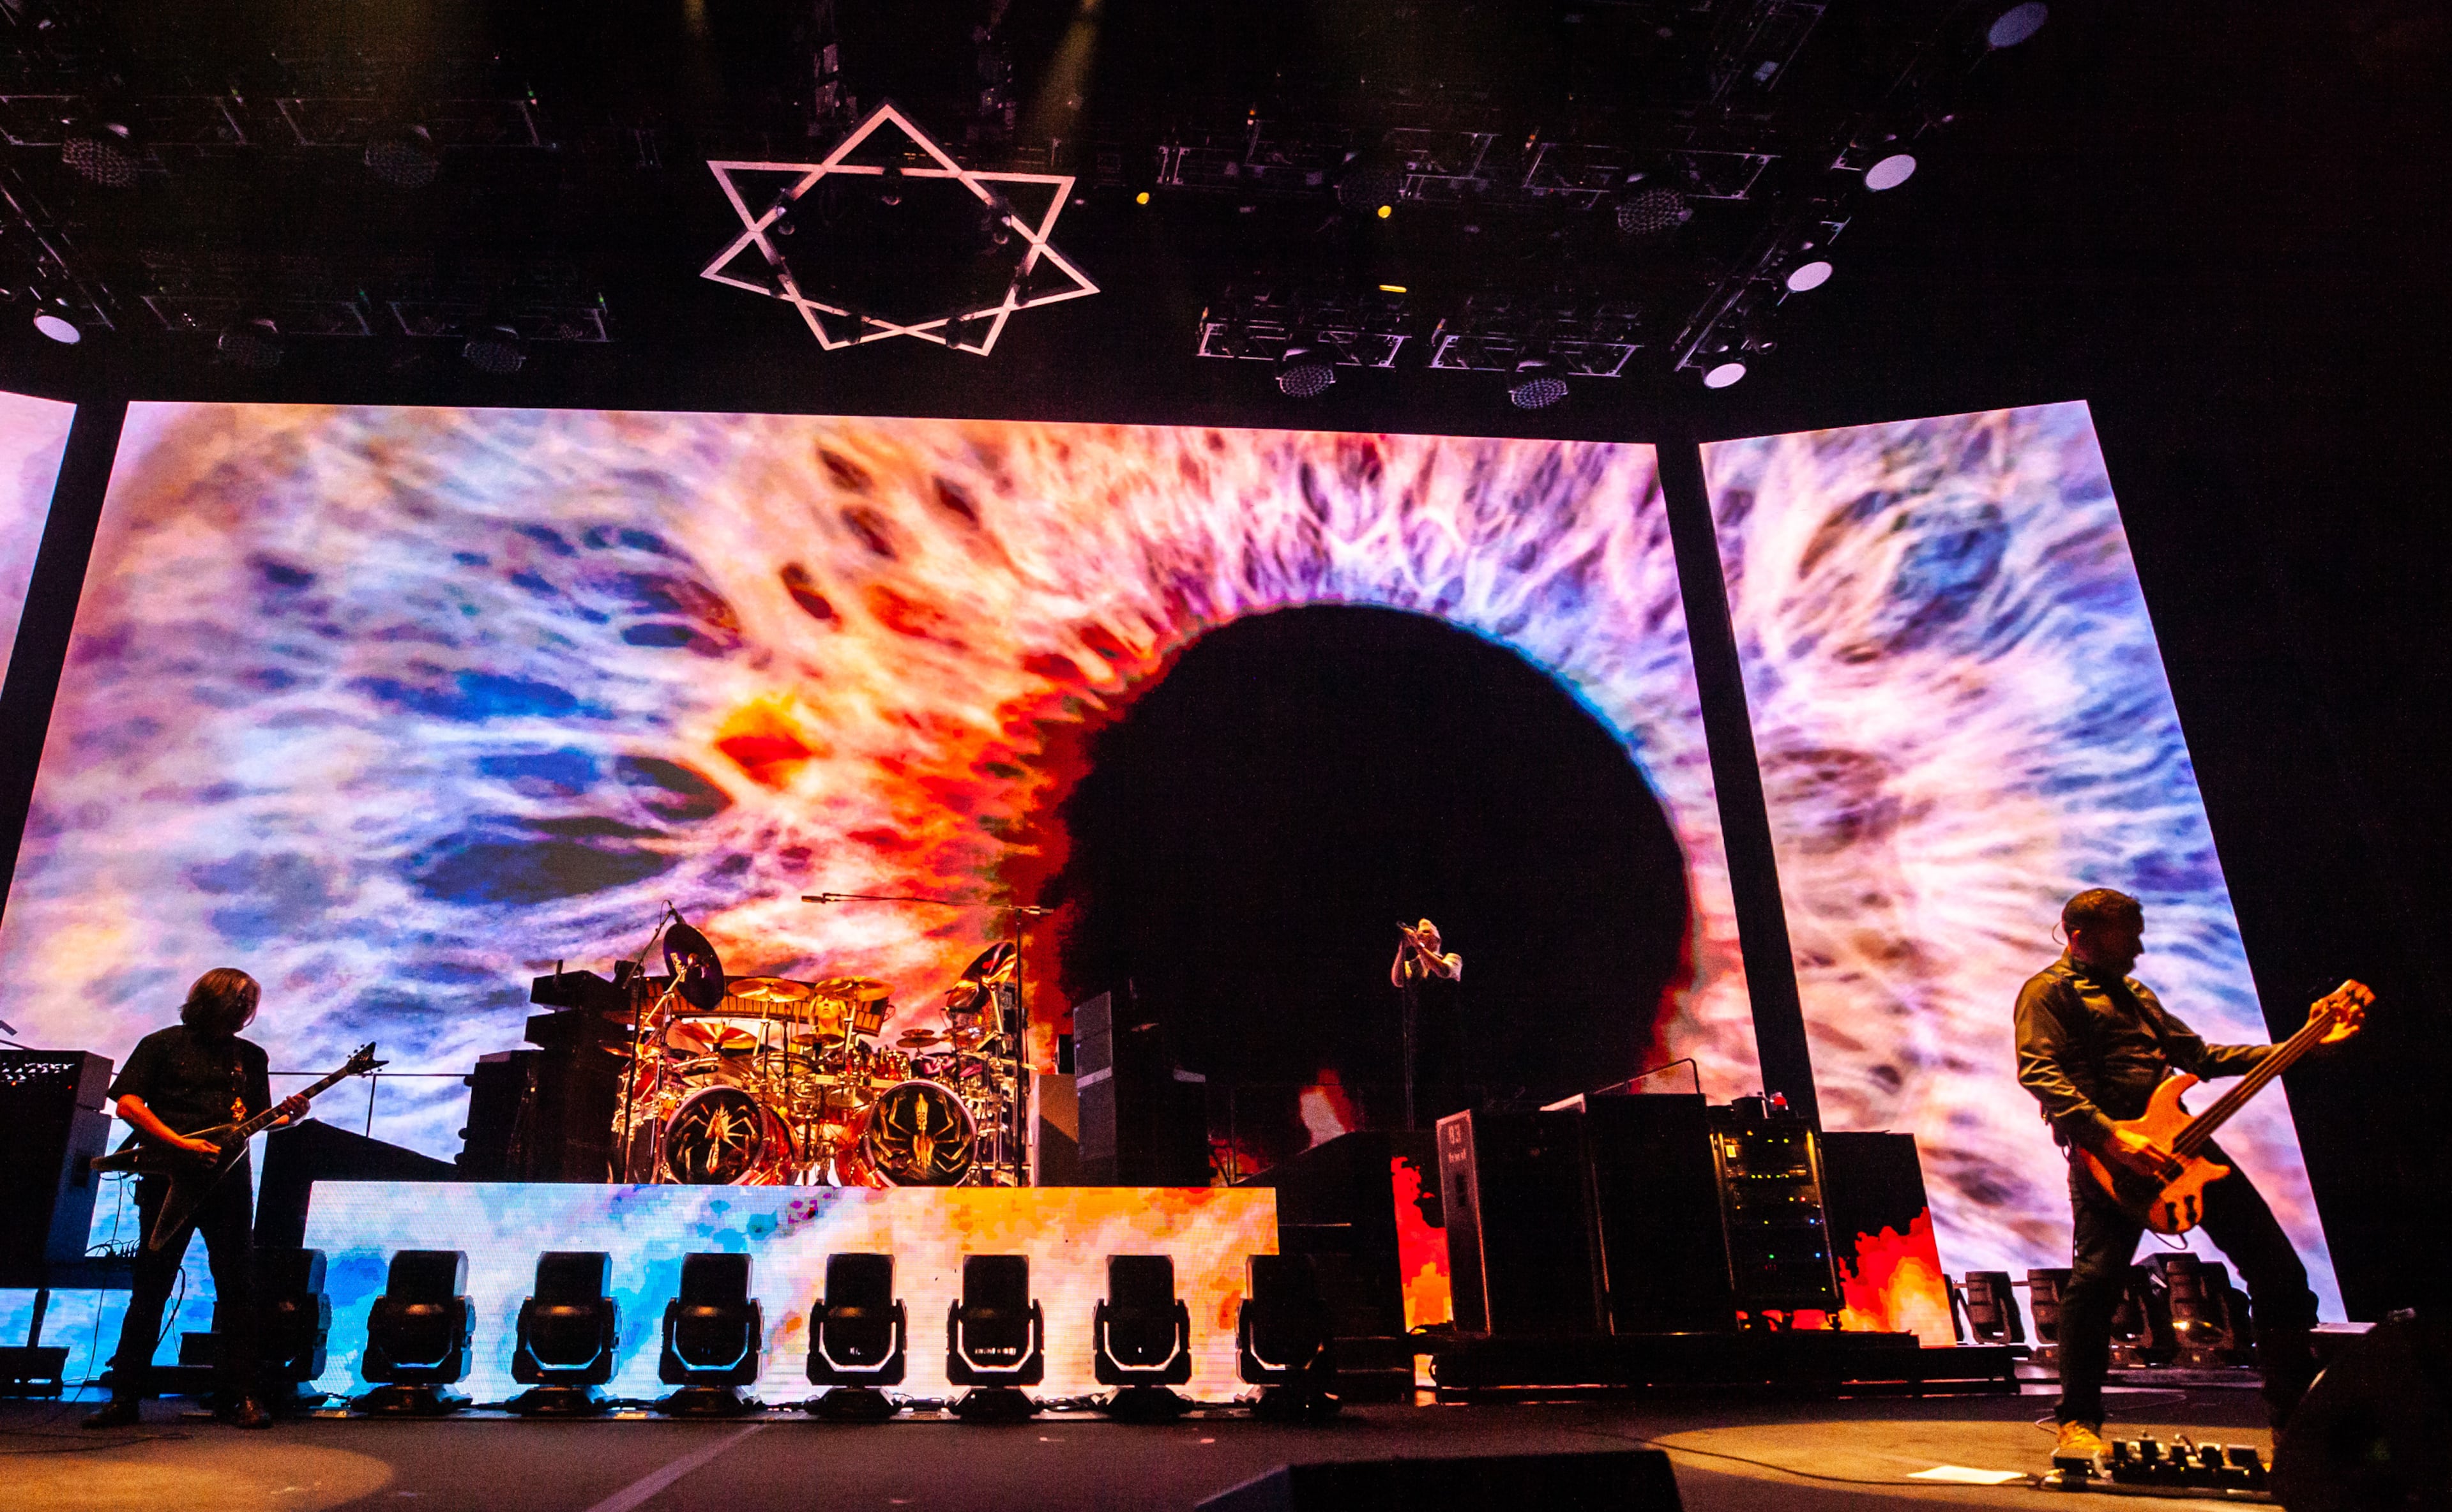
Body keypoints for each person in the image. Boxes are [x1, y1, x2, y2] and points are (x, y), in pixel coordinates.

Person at [2015, 889, 2365, 1458]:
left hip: (2183, 1144)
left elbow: (2200, 1056)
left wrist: (2301, 1047)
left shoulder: (2136, 995)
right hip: (2111, 1158)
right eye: (2126, 935)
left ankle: (2293, 1423)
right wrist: (2109, 1137)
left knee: (2280, 1275)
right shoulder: (2048, 992)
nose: (2139, 945)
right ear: (2080, 936)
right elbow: (2040, 1072)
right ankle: (2077, 1423)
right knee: (2096, 1283)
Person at [82, 969, 308, 1430]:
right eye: (241, 1001)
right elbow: (128, 1105)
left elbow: (261, 1120)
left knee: (239, 1291)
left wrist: (292, 1117)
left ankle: (242, 1396)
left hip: (230, 1184)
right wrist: (180, 1144)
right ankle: (124, 1397)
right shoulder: (162, 1044)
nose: (248, 1011)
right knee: (150, 1288)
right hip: (169, 1181)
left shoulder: (250, 1057)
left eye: (252, 1003)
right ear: (214, 999)